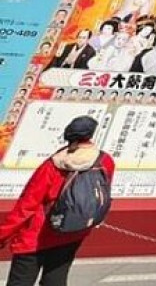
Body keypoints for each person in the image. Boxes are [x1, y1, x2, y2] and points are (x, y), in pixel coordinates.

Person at [0, 116, 115, 286]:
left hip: (37, 236)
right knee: (55, 280)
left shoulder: (52, 165)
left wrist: (3, 234)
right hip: (74, 231)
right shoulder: (104, 161)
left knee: (20, 282)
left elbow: (26, 206)